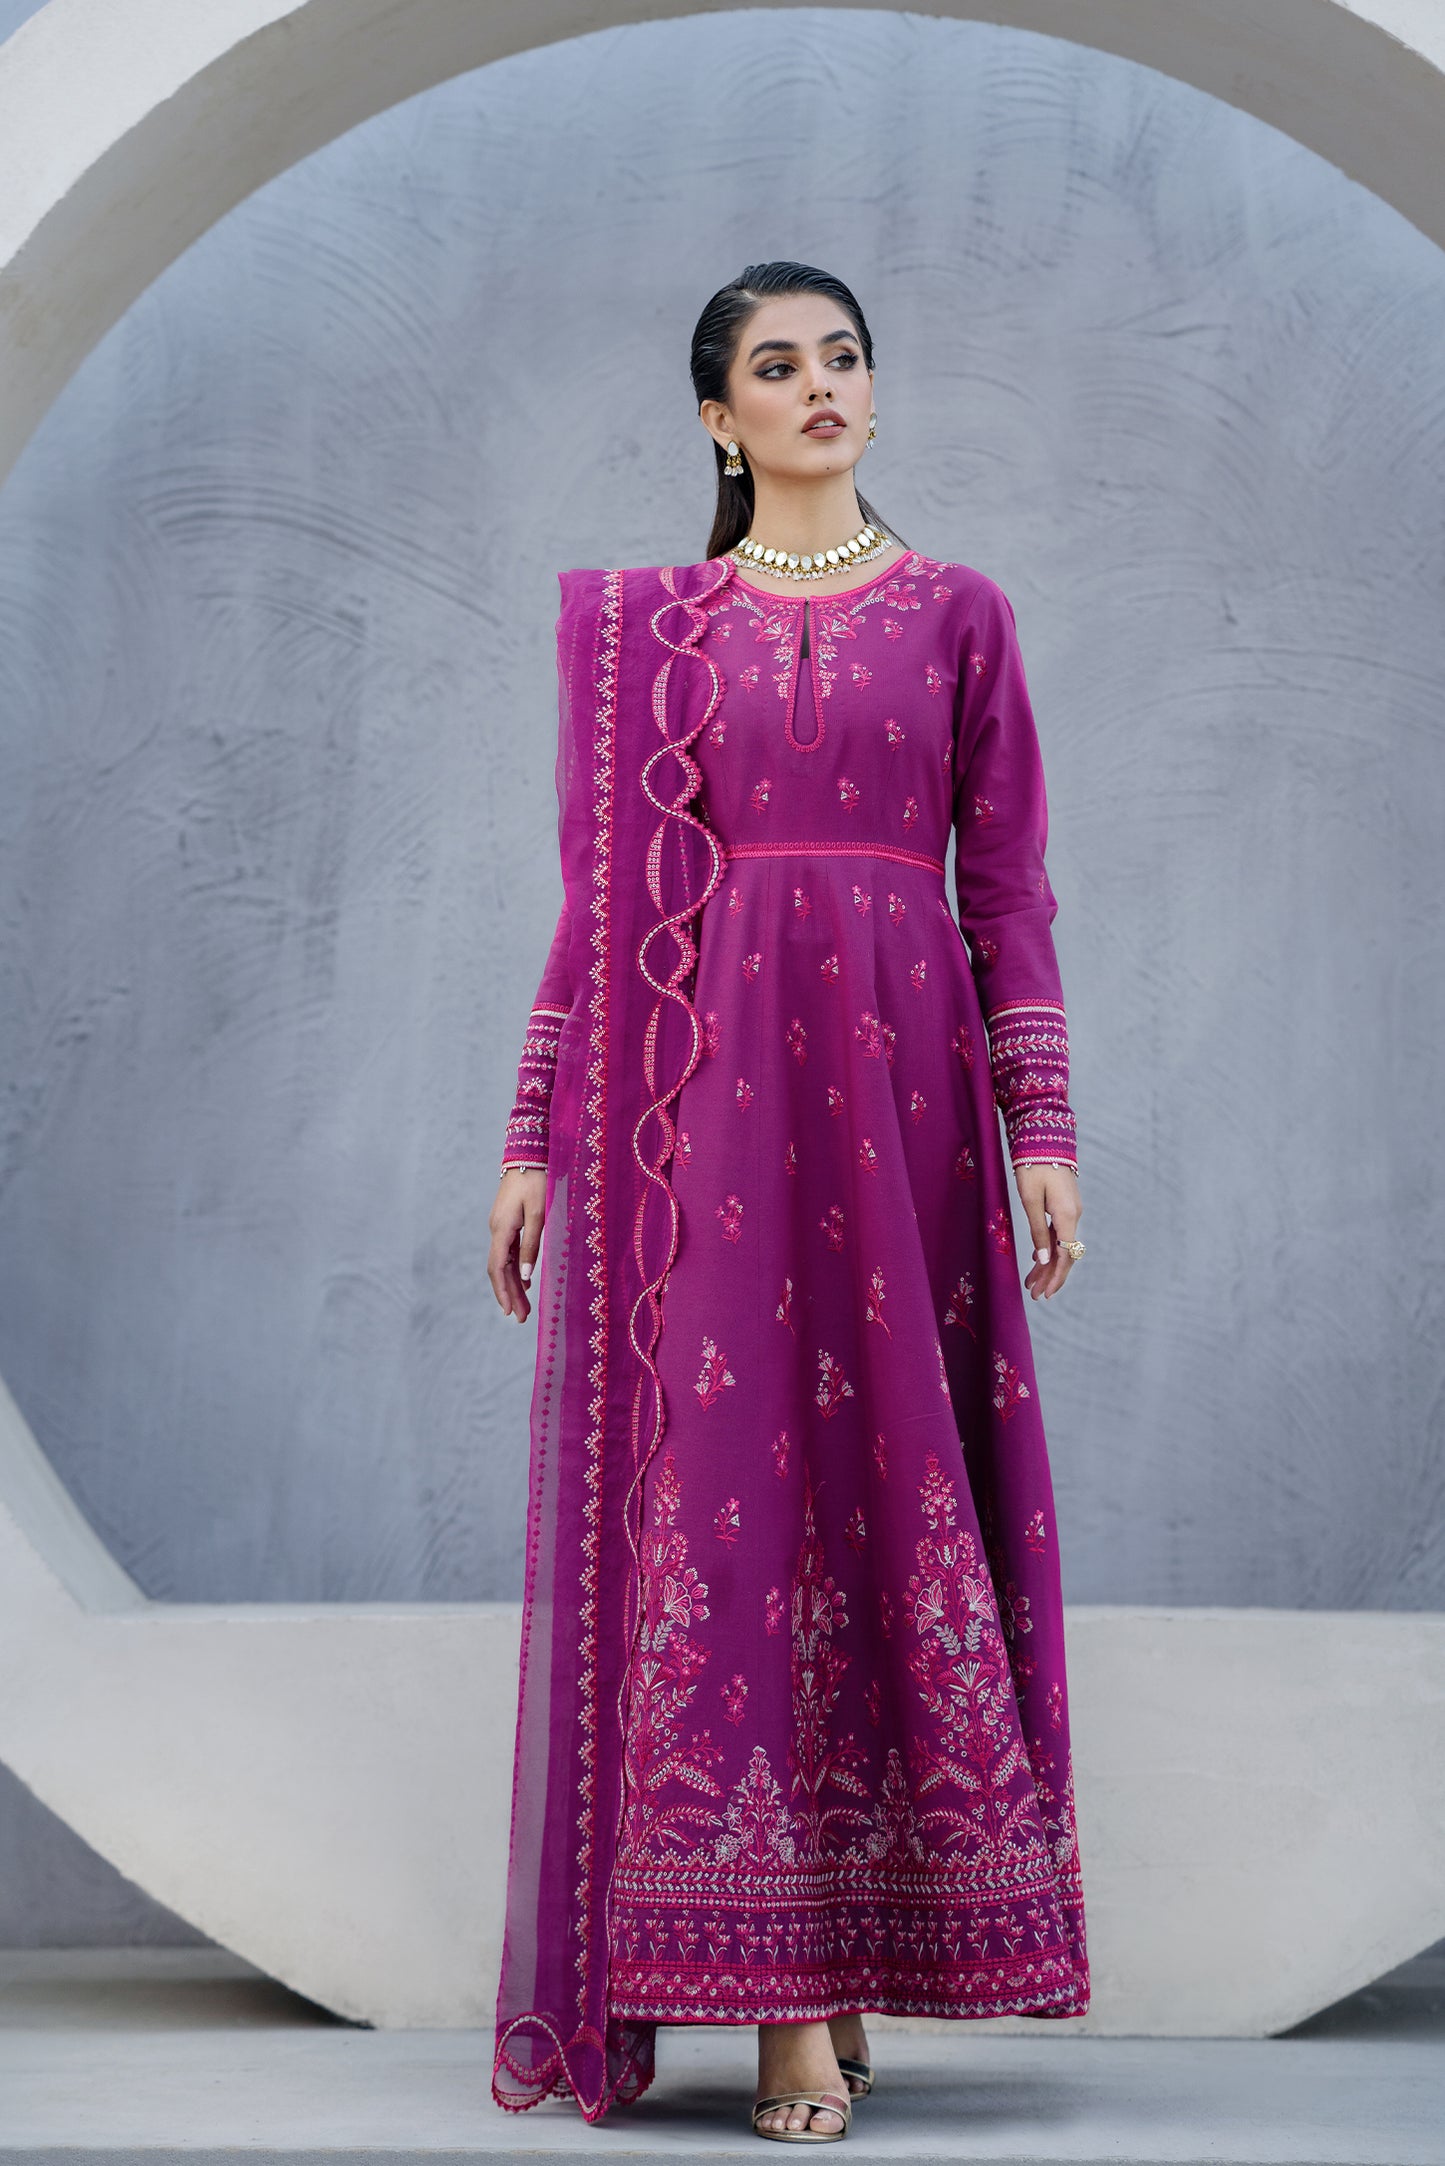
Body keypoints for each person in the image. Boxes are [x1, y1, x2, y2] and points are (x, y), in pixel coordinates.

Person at [486, 260, 1089, 2145]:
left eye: (842, 355)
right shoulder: (650, 634)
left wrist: (1043, 1123)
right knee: (732, 1502)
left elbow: (1007, 886)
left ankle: (851, 1954)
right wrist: (531, 1130)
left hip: (907, 1105)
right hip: (699, 1120)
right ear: (716, 419)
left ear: (873, 395)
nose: (819, 382)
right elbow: (598, 904)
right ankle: (783, 2007)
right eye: (774, 363)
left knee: (887, 1488)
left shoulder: (961, 614)